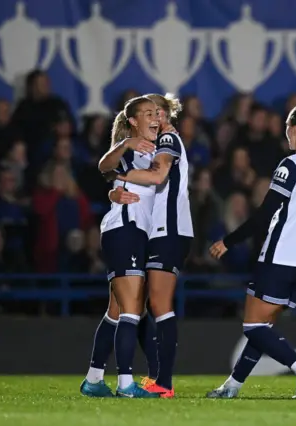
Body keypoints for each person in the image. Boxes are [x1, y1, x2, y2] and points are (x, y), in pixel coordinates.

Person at [206, 104, 296, 399]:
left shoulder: (291, 165)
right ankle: (232, 386)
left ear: (295, 130)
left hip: (281, 255)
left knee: (254, 326)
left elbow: (264, 214)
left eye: (287, 130)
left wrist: (228, 241)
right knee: (264, 327)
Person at [80, 96, 159, 398]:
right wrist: (126, 144)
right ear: (134, 122)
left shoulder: (151, 150)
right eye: (148, 113)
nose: (155, 117)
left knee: (116, 312)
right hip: (125, 231)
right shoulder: (133, 149)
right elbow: (104, 165)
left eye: (157, 113)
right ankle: (126, 384)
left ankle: (93, 379)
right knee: (132, 309)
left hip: (131, 232)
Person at [114, 93, 193, 398]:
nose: (152, 118)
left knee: (159, 304)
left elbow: (159, 175)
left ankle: (165, 382)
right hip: (158, 229)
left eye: (155, 112)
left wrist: (120, 176)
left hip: (170, 229)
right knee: (148, 304)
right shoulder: (162, 141)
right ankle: (157, 375)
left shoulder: (169, 140)